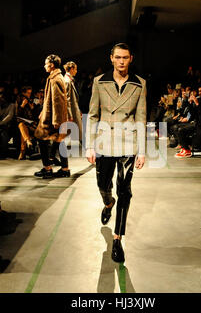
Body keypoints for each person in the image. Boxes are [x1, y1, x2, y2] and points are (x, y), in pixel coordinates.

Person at [86, 43, 146, 263]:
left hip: (128, 143)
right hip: (103, 141)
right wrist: (90, 145)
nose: (122, 61)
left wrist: (141, 150)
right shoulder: (99, 82)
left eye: (126, 58)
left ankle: (118, 238)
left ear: (131, 59)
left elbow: (141, 117)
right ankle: (108, 202)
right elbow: (93, 115)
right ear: (111, 58)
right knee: (103, 184)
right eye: (118, 57)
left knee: (125, 190)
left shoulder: (139, 84)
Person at [34, 54, 70, 178]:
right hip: (50, 115)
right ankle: (64, 169)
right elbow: (50, 99)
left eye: (46, 63)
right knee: (59, 141)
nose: (44, 66)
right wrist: (42, 111)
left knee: (42, 138)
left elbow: (58, 101)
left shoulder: (55, 79)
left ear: (52, 65)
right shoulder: (55, 77)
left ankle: (48, 168)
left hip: (52, 118)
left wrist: (57, 120)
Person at [63, 61, 83, 143]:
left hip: (74, 110)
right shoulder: (67, 81)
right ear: (71, 69)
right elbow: (67, 99)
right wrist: (69, 114)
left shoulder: (69, 80)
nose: (76, 71)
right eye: (75, 69)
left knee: (72, 132)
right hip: (71, 111)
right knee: (75, 132)